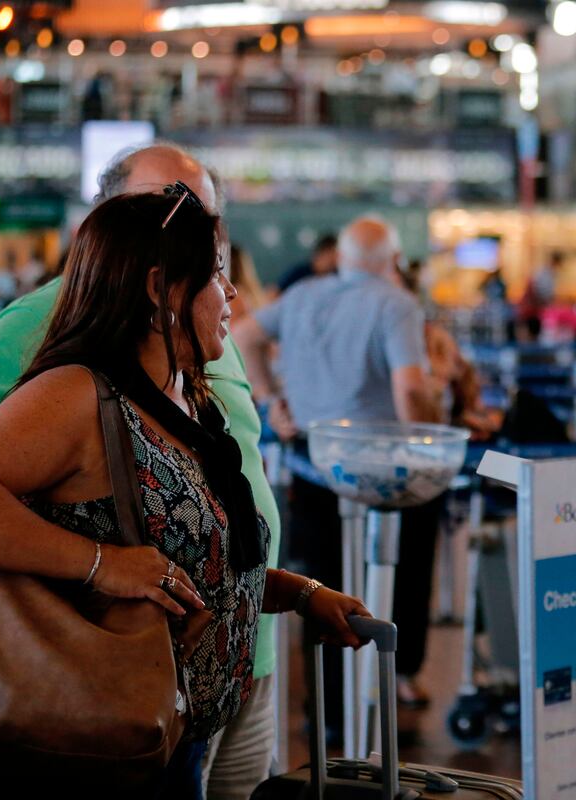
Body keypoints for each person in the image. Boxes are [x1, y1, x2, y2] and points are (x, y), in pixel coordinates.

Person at [0, 189, 368, 799]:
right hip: (87, 741)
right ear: (160, 289)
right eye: (215, 276)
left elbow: (195, 563)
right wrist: (101, 565)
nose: (232, 294)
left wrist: (303, 594)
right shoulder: (78, 395)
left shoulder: (188, 398)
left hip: (169, 735)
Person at [233, 216, 440, 733]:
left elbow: (243, 336)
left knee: (318, 583)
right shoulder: (397, 304)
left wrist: (270, 399)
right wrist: (433, 433)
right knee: (401, 571)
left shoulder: (303, 296)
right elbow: (411, 392)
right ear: (392, 261)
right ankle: (388, 687)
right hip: (383, 466)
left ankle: (328, 711)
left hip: (312, 459)